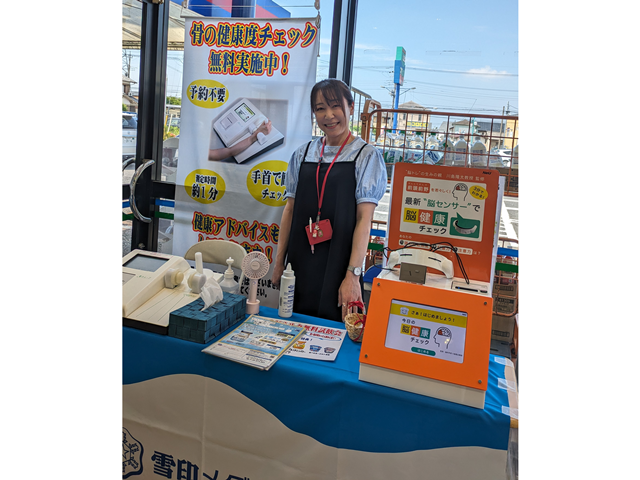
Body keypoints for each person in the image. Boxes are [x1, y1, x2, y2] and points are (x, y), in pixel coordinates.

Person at [271, 79, 387, 322]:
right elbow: (289, 210)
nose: (329, 115)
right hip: (299, 263)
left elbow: (364, 219)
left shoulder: (366, 156)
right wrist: (279, 262)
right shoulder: (303, 154)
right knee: (293, 326)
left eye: (335, 106)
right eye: (320, 108)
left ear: (351, 107)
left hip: (341, 265)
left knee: (336, 329)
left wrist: (353, 275)